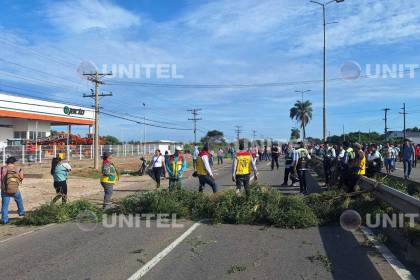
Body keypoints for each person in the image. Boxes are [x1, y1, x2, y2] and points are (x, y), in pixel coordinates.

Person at [1, 157, 25, 224]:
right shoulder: (18, 169)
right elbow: (21, 178)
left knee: (5, 205)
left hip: (5, 190)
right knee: (19, 200)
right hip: (15, 189)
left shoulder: (2, 169)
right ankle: (21, 212)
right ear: (14, 162)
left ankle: (4, 220)